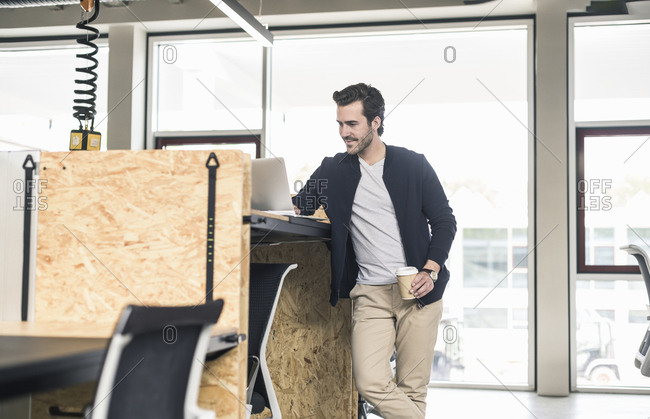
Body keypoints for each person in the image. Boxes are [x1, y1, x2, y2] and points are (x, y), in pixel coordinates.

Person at [292, 83, 456, 418]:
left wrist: (431, 269)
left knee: (412, 391)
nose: (344, 133)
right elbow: (299, 206)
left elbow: (444, 221)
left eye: (351, 124)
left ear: (375, 122)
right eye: (340, 124)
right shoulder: (331, 170)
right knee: (370, 383)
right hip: (370, 294)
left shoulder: (413, 165)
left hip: (418, 291)